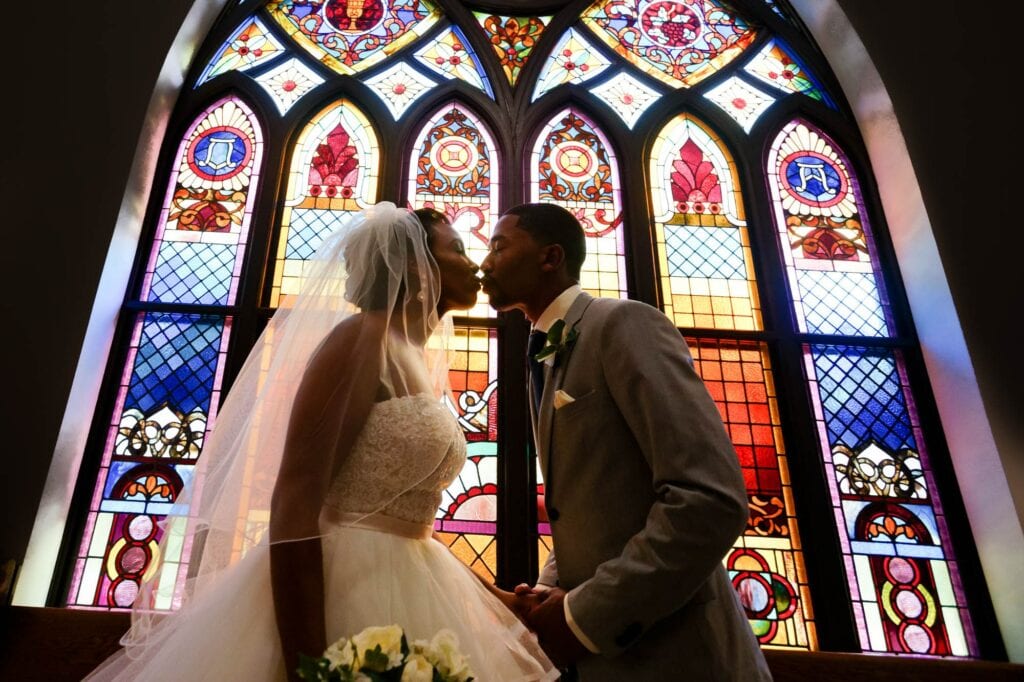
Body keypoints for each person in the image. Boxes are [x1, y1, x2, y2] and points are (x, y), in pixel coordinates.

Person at [85, 203, 557, 681]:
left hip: (412, 576)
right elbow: (295, 498)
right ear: (417, 265)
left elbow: (407, 520)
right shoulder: (360, 339)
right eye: (456, 249)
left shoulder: (413, 352)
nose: (473, 262)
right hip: (340, 588)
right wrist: (306, 660)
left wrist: (497, 598)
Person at [480, 203, 773, 681]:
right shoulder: (547, 353)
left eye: (498, 246)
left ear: (550, 257)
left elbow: (708, 499)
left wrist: (583, 616)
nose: (485, 262)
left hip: (683, 658)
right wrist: (550, 593)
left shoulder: (620, 324)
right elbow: (590, 509)